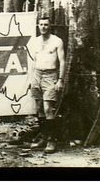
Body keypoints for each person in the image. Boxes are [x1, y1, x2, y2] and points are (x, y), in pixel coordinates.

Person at [30, 17, 65, 153]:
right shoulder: (35, 41)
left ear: (50, 26)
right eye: (41, 25)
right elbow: (34, 61)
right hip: (37, 75)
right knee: (39, 108)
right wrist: (32, 78)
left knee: (48, 108)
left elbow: (62, 61)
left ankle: (52, 140)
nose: (43, 27)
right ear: (38, 26)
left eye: (46, 25)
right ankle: (43, 137)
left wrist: (60, 79)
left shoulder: (57, 41)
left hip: (51, 76)